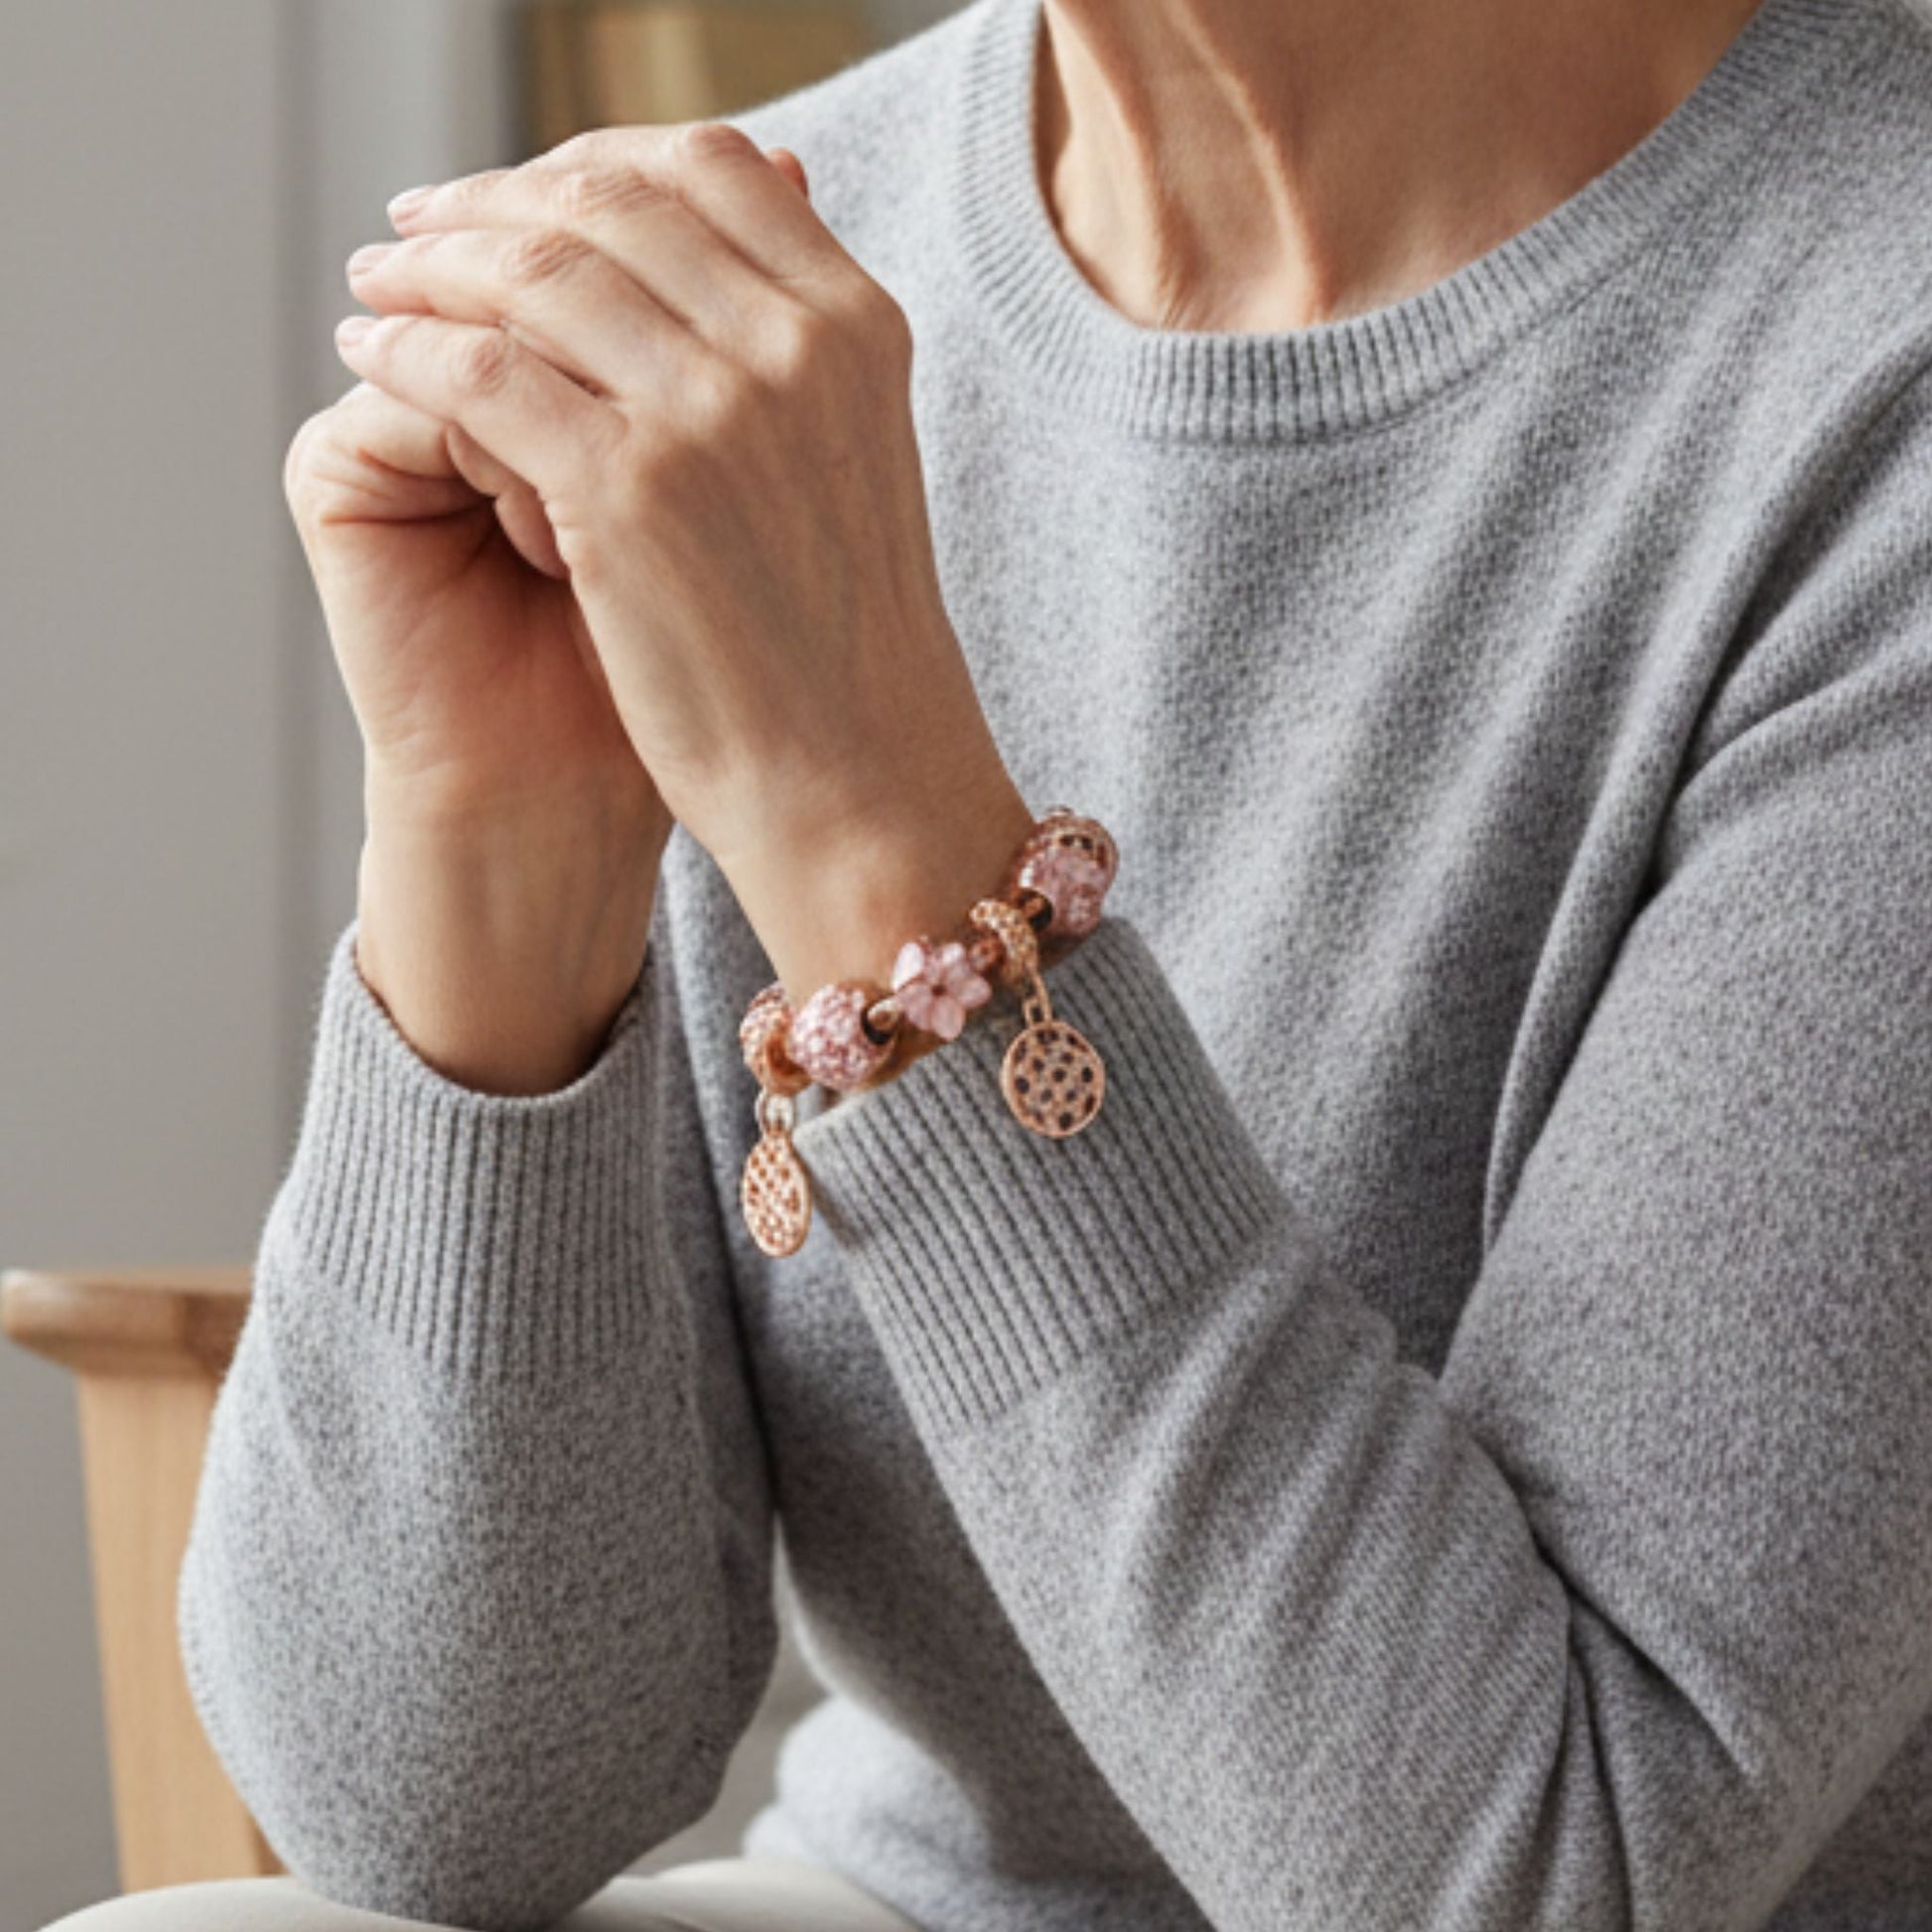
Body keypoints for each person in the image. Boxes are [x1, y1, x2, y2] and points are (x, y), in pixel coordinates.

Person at [56, 0, 1932, 1923]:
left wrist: (866, 814)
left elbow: (1538, 1872)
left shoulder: (1873, 369)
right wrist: (501, 858)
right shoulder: (754, 297)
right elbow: (438, 1804)